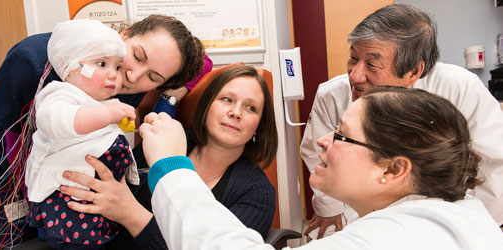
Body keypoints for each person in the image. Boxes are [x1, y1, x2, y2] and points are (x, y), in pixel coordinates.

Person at [69, 86, 503, 250]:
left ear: (391, 170)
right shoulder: (430, 214)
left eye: (342, 134)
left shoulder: (407, 238)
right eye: (225, 100)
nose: (321, 140)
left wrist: (169, 167)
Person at [0, 14, 205, 249]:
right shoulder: (34, 57)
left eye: (153, 77)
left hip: (69, 185)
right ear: (124, 33)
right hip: (4, 170)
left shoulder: (128, 84)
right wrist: (38, 193)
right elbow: (5, 133)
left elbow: (202, 62)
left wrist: (172, 94)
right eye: (137, 56)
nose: (132, 76)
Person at [300, 3, 503, 238]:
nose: (355, 75)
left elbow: (493, 162)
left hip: (446, 211)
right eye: (353, 58)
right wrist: (329, 208)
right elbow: (315, 151)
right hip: (357, 212)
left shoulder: (459, 88)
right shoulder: (332, 94)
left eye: (372, 65)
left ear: (413, 72)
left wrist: (478, 229)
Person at [60, 65, 278, 250]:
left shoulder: (258, 192)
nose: (236, 112)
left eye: (251, 108)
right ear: (206, 108)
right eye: (227, 100)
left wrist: (130, 213)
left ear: (259, 125)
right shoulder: (166, 139)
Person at [23, 19, 139, 249]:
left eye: (117, 67)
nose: (114, 74)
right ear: (71, 65)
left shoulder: (102, 102)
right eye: (101, 63)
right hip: (68, 205)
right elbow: (59, 122)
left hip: (98, 203)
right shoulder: (60, 94)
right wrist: (108, 114)